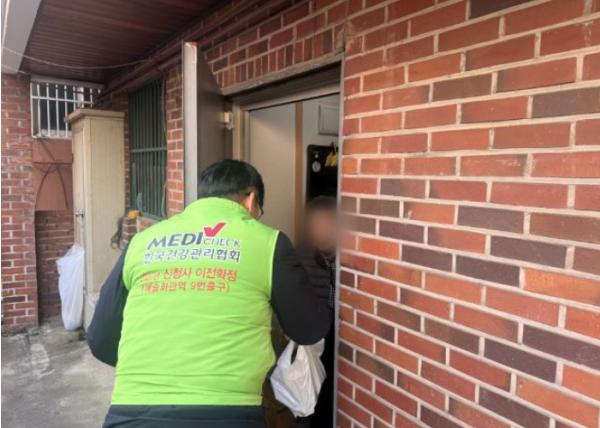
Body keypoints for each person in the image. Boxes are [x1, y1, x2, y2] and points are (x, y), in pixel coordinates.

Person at [87, 159, 333, 428]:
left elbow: (100, 340)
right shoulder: (269, 242)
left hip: (131, 413)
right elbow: (309, 329)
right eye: (259, 211)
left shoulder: (142, 242)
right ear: (251, 200)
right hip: (227, 414)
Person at [296, 196, 337, 428]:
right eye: (314, 225)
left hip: (343, 337)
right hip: (315, 338)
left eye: (325, 224)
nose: (319, 231)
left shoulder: (350, 257)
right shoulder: (302, 256)